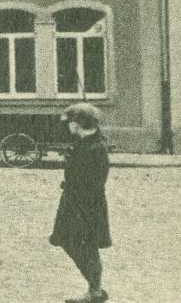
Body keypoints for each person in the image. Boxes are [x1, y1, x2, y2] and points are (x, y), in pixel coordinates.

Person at [49, 102, 111, 303]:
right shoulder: (85, 143)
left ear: (77, 124)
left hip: (84, 206)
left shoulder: (94, 148)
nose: (68, 127)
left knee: (80, 244)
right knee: (75, 243)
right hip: (76, 203)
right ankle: (95, 289)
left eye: (70, 123)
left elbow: (93, 181)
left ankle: (95, 290)